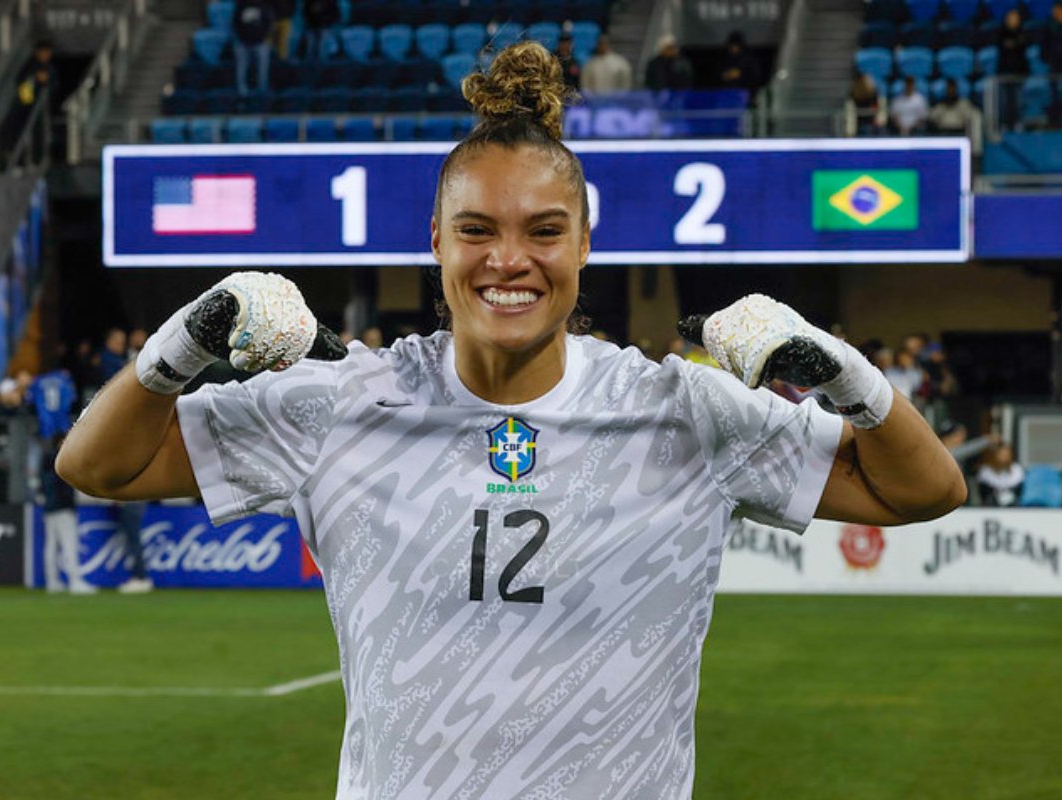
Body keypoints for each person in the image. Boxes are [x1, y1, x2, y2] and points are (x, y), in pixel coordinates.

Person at [57, 42, 964, 798]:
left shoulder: (682, 410)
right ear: (437, 243)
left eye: (543, 230)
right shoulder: (338, 402)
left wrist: (847, 375)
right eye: (478, 229)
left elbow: (925, 489)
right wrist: (183, 343)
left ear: (584, 247)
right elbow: (100, 467)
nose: (509, 260)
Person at [40, 435, 96, 594]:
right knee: (69, 544)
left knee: (51, 545)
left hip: (49, 508)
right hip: (63, 508)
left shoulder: (46, 461)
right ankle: (75, 581)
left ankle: (52, 581)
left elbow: (44, 487)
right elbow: (65, 488)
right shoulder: (62, 463)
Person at [233, 0, 275, 96]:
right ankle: (242, 92)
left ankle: (262, 91)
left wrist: (262, 37)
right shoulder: (241, 5)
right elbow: (235, 22)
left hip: (260, 42)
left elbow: (269, 23)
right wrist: (241, 37)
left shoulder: (264, 6)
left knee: (262, 69)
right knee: (241, 68)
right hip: (243, 42)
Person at [997, 8, 1028, 130]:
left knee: (1018, 100)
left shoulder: (1022, 33)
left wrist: (1014, 43)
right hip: (1005, 72)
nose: (1013, 21)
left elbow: (1022, 47)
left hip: (1018, 72)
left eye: (1016, 18)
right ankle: (1005, 123)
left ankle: (1017, 122)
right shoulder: (1001, 33)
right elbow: (1004, 47)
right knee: (1005, 101)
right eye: (1011, 18)